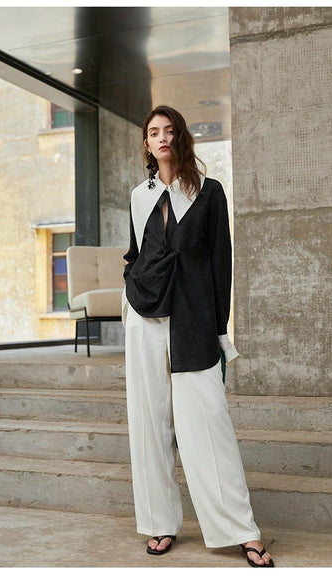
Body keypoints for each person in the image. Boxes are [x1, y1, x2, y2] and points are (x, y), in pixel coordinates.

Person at [121, 105, 274, 568]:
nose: (162, 137)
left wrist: (218, 329)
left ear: (181, 137)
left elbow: (220, 265)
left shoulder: (209, 193)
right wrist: (131, 286)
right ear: (147, 144)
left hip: (192, 319)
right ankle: (160, 523)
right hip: (145, 317)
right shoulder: (140, 196)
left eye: (170, 130)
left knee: (208, 426)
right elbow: (135, 254)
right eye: (154, 132)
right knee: (149, 424)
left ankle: (241, 531)